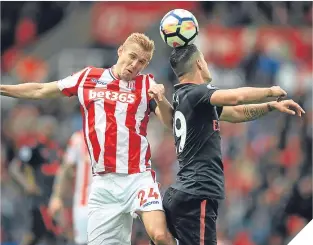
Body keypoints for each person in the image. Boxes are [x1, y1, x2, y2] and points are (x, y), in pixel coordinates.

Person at [1, 33, 177, 245]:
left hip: (137, 177)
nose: (135, 65)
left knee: (159, 235)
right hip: (103, 185)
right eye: (132, 56)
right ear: (120, 50)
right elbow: (40, 89)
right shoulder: (88, 78)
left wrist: (161, 98)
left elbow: (169, 122)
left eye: (142, 62)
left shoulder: (146, 84)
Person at [162, 44, 305, 245]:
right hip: (197, 192)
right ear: (199, 64)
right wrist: (272, 91)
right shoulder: (197, 92)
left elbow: (237, 113)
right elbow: (237, 98)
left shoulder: (185, 98)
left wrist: (271, 106)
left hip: (183, 192)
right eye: (204, 59)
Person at [8, 116, 64, 245]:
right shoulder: (32, 148)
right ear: (40, 129)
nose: (49, 131)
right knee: (43, 231)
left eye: (51, 128)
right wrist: (27, 185)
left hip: (53, 196)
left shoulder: (56, 148)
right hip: (39, 198)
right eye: (46, 128)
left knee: (40, 233)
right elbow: (15, 168)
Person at [49, 130, 91, 245]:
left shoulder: (121, 132)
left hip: (113, 204)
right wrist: (57, 196)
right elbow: (66, 168)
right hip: (85, 204)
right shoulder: (79, 138)